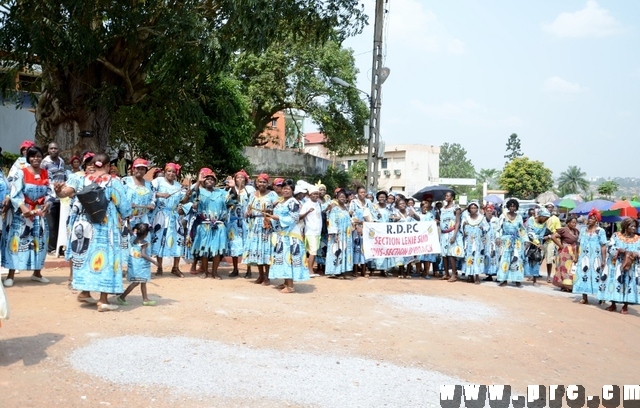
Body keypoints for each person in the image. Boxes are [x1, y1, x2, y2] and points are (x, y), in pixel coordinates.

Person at [53, 153, 132, 311]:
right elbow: (124, 206)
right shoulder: (113, 181)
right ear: (108, 166)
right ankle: (103, 300)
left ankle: (84, 292)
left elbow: (63, 193)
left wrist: (57, 191)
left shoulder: (80, 179)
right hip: (105, 227)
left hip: (83, 227)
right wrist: (127, 216)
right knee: (106, 259)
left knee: (86, 257)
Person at [2, 146, 54, 287]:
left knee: (40, 241)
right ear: (28, 158)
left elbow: (51, 192)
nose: (35, 158)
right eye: (32, 156)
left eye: (38, 156)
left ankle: (37, 273)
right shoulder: (21, 173)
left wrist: (47, 204)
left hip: (38, 213)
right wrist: (24, 208)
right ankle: (11, 274)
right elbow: (14, 193)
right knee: (16, 242)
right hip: (21, 214)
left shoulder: (46, 173)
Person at [263, 179, 309, 293]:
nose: (285, 191)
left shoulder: (293, 202)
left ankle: (290, 286)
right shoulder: (280, 202)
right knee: (283, 259)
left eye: (288, 189)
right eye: (284, 188)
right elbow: (276, 216)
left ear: (292, 191)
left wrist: (277, 218)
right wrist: (270, 218)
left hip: (290, 235)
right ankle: (285, 282)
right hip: (281, 235)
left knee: (288, 259)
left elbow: (294, 218)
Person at [186, 168, 229, 279]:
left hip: (219, 226)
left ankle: (214, 272)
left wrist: (233, 188)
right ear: (204, 181)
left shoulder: (221, 193)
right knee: (204, 249)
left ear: (215, 181)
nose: (209, 181)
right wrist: (198, 182)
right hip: (204, 225)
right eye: (207, 179)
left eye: (212, 179)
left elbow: (232, 201)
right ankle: (204, 271)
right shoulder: (199, 191)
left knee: (217, 250)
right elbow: (193, 196)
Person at [149, 163, 186, 277]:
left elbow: (183, 201)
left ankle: (175, 267)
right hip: (161, 215)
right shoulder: (158, 181)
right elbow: (148, 190)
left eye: (173, 172)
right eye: (168, 171)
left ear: (176, 174)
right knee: (160, 239)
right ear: (165, 172)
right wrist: (160, 194)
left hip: (174, 215)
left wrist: (188, 193)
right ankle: (159, 267)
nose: (171, 173)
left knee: (178, 239)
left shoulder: (179, 186)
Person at [243, 173, 279, 285]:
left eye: (264, 182)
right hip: (255, 226)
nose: (262, 184)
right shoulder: (253, 195)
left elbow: (277, 209)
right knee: (257, 250)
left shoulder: (272, 194)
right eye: (260, 182)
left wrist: (270, 216)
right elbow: (248, 209)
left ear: (267, 184)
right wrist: (248, 213)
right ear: (256, 183)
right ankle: (260, 275)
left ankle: (267, 277)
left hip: (266, 225)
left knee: (265, 249)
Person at [599, 217, 639, 314]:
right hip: (615, 264)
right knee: (615, 282)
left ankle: (625, 306)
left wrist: (635, 253)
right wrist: (618, 249)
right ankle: (613, 304)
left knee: (627, 283)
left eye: (635, 226)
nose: (634, 228)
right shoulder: (616, 236)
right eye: (631, 226)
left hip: (630, 265)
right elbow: (610, 247)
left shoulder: (638, 239)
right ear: (625, 227)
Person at [121, 159, 156, 271]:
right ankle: (126, 268)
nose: (140, 171)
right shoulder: (125, 181)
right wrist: (126, 205)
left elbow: (153, 198)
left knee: (144, 241)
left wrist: (151, 204)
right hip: (128, 219)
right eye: (137, 168)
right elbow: (118, 197)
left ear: (145, 170)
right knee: (127, 242)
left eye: (142, 168)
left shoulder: (149, 185)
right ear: (133, 169)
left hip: (143, 219)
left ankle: (141, 267)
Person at [116, 223, 160, 306]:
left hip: (134, 265)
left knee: (143, 282)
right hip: (141, 266)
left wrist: (128, 222)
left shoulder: (133, 239)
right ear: (146, 234)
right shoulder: (144, 243)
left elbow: (130, 230)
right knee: (137, 282)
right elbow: (143, 254)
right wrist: (153, 261)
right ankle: (122, 297)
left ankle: (145, 299)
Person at [573, 209, 607, 305]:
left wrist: (604, 260)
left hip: (596, 258)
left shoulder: (600, 231)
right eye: (589, 218)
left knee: (598, 276)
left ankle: (601, 297)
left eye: (592, 219)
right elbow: (578, 244)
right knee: (584, 274)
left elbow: (603, 246)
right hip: (584, 257)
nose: (590, 220)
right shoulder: (583, 230)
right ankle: (584, 297)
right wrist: (576, 256)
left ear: (597, 220)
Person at [40, 142, 66, 254]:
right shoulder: (44, 163)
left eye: (56, 148)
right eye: (51, 148)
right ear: (48, 150)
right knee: (50, 224)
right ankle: (50, 248)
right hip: (50, 197)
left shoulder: (61, 161)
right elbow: (42, 179)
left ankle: (57, 248)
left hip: (61, 197)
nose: (54, 150)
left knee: (59, 224)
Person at [226, 170, 252, 278]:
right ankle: (235, 268)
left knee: (247, 244)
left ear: (245, 179)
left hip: (246, 221)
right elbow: (230, 202)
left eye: (242, 178)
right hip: (234, 221)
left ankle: (249, 269)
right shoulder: (230, 190)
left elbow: (252, 203)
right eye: (238, 178)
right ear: (234, 179)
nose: (240, 179)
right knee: (234, 244)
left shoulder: (250, 190)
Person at [496, 198, 527, 287]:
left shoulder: (519, 217)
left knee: (517, 259)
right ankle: (504, 279)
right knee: (504, 259)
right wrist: (498, 238)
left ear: (516, 207)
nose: (512, 208)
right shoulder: (503, 216)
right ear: (508, 207)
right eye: (511, 206)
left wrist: (525, 240)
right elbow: (498, 228)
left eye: (514, 206)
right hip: (506, 240)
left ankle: (517, 279)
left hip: (517, 241)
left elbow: (522, 230)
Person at [325, 189, 354, 279]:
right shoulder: (335, 209)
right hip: (338, 235)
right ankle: (336, 271)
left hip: (346, 235)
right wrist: (336, 234)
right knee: (337, 251)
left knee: (344, 251)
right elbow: (332, 221)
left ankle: (343, 270)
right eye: (340, 197)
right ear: (337, 198)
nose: (342, 198)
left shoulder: (346, 208)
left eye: (344, 197)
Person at [460, 201, 489, 284]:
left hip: (477, 242)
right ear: (469, 209)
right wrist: (464, 228)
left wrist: (482, 228)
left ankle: (477, 276)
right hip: (468, 241)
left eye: (475, 208)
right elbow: (462, 228)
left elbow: (487, 227)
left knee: (477, 257)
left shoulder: (481, 218)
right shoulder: (466, 217)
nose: (473, 209)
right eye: (471, 208)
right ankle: (470, 275)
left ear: (477, 209)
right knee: (468, 257)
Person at [348, 185, 373, 277]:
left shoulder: (369, 202)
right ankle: (355, 270)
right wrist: (357, 225)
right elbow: (351, 215)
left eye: (364, 192)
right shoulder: (353, 202)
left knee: (365, 249)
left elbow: (372, 213)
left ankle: (363, 270)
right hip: (356, 228)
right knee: (356, 248)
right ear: (357, 193)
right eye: (361, 192)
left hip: (366, 228)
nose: (363, 194)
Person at [393, 196, 420, 278]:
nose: (402, 205)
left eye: (404, 203)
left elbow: (418, 220)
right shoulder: (396, 213)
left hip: (409, 237)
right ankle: (401, 272)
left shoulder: (410, 212)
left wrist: (414, 214)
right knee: (400, 254)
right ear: (397, 205)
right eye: (400, 204)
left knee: (409, 254)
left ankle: (408, 273)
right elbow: (391, 223)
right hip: (400, 237)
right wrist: (395, 219)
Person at [550, 215, 580, 292]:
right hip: (564, 252)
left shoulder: (576, 231)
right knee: (564, 269)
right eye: (572, 222)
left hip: (573, 252)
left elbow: (577, 242)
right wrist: (560, 245)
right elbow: (553, 236)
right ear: (568, 223)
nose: (574, 224)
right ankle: (565, 286)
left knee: (571, 269)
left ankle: (569, 285)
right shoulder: (564, 230)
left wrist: (576, 253)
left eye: (575, 223)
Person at [438, 191, 463, 282]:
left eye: (448, 195)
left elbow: (457, 222)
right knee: (444, 254)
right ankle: (446, 274)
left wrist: (454, 236)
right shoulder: (443, 208)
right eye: (445, 195)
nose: (446, 197)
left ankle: (454, 274)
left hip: (452, 232)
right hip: (444, 233)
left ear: (452, 197)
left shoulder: (456, 208)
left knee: (452, 254)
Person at [524, 208, 551, 285]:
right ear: (540, 216)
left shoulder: (544, 224)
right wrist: (537, 242)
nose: (546, 220)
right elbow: (530, 232)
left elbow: (542, 234)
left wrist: (540, 244)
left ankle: (534, 279)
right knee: (525, 259)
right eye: (545, 218)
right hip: (529, 242)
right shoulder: (531, 220)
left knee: (536, 260)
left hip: (538, 243)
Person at [300, 185, 322, 278]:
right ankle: (310, 270)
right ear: (310, 195)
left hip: (317, 231)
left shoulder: (318, 203)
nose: (315, 196)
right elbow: (300, 216)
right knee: (313, 251)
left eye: (317, 194)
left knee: (313, 250)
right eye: (314, 194)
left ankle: (309, 269)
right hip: (310, 231)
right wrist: (308, 211)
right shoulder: (307, 204)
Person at [416, 194, 437, 279]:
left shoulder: (431, 215)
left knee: (427, 256)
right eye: (423, 206)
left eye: (426, 206)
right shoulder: (418, 215)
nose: (425, 208)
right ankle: (418, 270)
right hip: (419, 237)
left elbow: (433, 223)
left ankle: (426, 272)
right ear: (421, 207)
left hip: (428, 237)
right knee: (419, 254)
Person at [543, 202, 562, 283]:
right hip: (541, 240)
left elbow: (558, 232)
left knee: (549, 259)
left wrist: (550, 236)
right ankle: (534, 274)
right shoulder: (542, 217)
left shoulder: (555, 219)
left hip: (550, 241)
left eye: (551, 207)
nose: (549, 209)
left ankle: (548, 275)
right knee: (538, 257)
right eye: (548, 207)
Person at [483, 203, 500, 281]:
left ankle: (497, 275)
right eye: (487, 211)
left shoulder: (496, 220)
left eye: (490, 211)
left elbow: (498, 230)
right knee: (487, 257)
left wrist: (498, 238)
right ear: (485, 211)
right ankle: (489, 274)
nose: (489, 212)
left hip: (494, 241)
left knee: (495, 257)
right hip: (486, 242)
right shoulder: (483, 220)